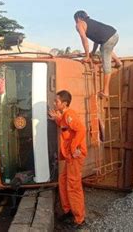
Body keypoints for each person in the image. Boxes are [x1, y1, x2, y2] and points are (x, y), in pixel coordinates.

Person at [48, 90, 87, 228]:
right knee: (63, 181)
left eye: (56, 101)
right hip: (70, 157)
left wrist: (73, 147)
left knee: (73, 186)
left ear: (64, 104)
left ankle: (79, 219)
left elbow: (81, 130)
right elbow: (65, 126)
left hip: (75, 156)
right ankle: (68, 211)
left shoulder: (69, 115)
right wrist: (57, 119)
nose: (54, 103)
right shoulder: (65, 115)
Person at [74, 10, 122, 98]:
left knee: (106, 63)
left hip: (108, 39)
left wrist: (87, 56)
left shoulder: (79, 24)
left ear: (77, 18)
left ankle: (105, 91)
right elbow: (97, 40)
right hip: (114, 34)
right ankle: (118, 61)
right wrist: (92, 52)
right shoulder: (91, 23)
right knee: (105, 49)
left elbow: (84, 39)